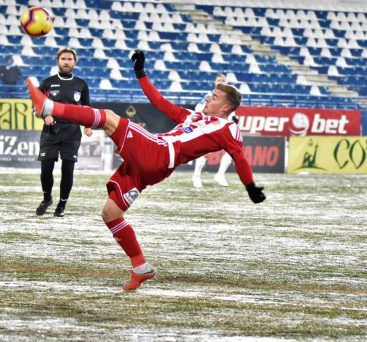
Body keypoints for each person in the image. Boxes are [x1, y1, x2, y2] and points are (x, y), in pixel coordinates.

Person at [25, 49, 266, 291]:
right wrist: (141, 73)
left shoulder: (227, 127)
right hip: (151, 167)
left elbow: (239, 157)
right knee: (110, 213)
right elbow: (159, 102)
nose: (208, 99)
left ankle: (49, 107)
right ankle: (141, 267)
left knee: (109, 117)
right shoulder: (193, 117)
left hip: (158, 153)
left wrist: (250, 186)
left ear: (226, 108)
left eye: (214, 97)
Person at [35, 47, 92, 218]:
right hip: (50, 133)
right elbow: (36, 107)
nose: (66, 62)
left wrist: (88, 125)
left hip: (72, 134)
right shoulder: (47, 83)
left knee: (68, 170)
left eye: (70, 59)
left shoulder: (81, 84)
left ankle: (62, 203)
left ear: (75, 62)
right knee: (46, 169)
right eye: (63, 59)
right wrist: (45, 115)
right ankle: (47, 199)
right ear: (57, 61)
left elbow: (87, 108)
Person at [192, 73, 239, 188]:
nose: (221, 82)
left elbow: (232, 112)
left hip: (223, 126)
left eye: (223, 80)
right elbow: (198, 107)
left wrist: (233, 118)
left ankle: (220, 175)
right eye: (219, 80)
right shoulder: (209, 95)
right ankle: (196, 176)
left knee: (232, 150)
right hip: (210, 125)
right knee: (204, 151)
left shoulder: (229, 98)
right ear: (215, 83)